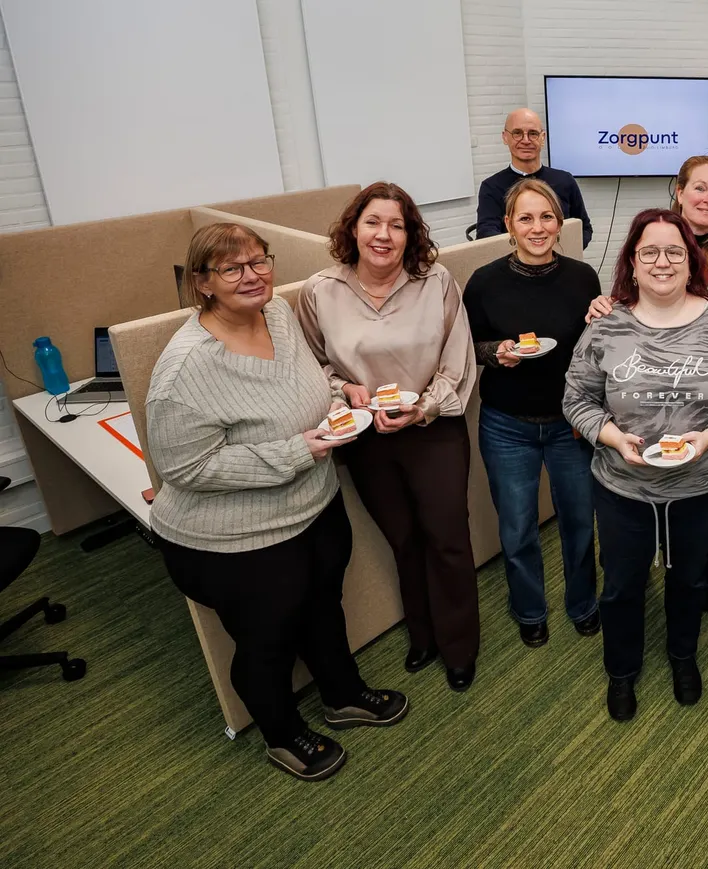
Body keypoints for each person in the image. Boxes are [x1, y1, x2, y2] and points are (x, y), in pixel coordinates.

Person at [147, 223, 407, 783]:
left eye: (258, 261)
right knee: (268, 640)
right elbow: (185, 468)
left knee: (322, 608)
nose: (252, 276)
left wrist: (343, 394)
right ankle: (283, 736)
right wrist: (297, 451)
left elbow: (304, 386)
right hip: (234, 539)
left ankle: (341, 696)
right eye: (231, 268)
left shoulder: (279, 315)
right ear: (202, 283)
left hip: (313, 508)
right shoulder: (187, 369)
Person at [563, 208, 708, 723]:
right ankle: (621, 670)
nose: (662, 261)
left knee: (691, 582)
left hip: (699, 484)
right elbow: (576, 398)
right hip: (622, 487)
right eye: (648, 251)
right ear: (631, 262)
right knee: (621, 586)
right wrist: (609, 435)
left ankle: (683, 657)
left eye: (674, 251)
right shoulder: (607, 324)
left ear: (690, 259)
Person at [297, 182, 481, 693]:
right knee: (403, 540)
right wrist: (343, 389)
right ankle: (422, 635)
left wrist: (422, 408)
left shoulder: (436, 281)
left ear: (410, 234)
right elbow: (312, 366)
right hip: (367, 437)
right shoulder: (319, 291)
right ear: (352, 229)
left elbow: (457, 360)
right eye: (373, 223)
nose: (384, 235)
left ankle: (460, 645)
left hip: (433, 432)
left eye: (397, 225)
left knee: (446, 538)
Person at [585, 154, 708, 612]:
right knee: (626, 564)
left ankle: (695, 579)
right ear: (680, 192)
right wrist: (604, 311)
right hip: (638, 415)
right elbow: (624, 303)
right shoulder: (649, 238)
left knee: (697, 531)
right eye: (700, 188)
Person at [462, 178, 602, 648]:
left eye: (546, 217)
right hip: (507, 425)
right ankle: (529, 609)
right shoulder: (484, 282)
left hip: (570, 424)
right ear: (508, 225)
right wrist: (493, 352)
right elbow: (469, 346)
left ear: (560, 224)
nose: (537, 227)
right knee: (518, 527)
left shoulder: (583, 278)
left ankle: (583, 603)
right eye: (525, 217)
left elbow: (592, 349)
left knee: (580, 522)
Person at [476, 108, 593, 247]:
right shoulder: (491, 187)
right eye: (517, 133)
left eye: (533, 134)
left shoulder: (565, 180)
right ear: (505, 137)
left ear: (542, 137)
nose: (526, 140)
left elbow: (584, 229)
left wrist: (558, 252)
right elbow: (486, 234)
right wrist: (527, 255)